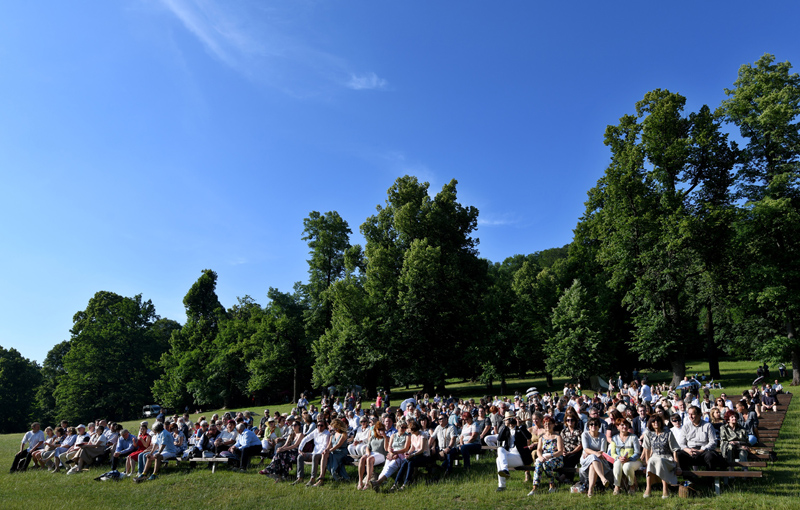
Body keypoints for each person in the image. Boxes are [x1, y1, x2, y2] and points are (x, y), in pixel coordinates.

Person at [676, 406, 728, 478]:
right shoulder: (686, 427)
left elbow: (713, 442)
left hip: (703, 452)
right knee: (678, 455)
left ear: (699, 415)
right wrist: (688, 450)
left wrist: (701, 450)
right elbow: (681, 443)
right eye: (689, 414)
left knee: (710, 456)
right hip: (690, 451)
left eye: (693, 414)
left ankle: (709, 480)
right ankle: (690, 479)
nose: (690, 416)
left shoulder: (708, 426)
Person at [641, 414, 681, 499]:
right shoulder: (648, 433)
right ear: (650, 423)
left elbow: (674, 450)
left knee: (660, 461)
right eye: (653, 421)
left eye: (658, 421)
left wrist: (678, 466)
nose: (656, 423)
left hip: (667, 458)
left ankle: (665, 489)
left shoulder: (668, 432)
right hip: (654, 457)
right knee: (652, 461)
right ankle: (648, 488)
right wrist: (647, 462)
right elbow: (647, 449)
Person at [528, 416, 563, 496]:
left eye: (549, 424)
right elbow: (539, 450)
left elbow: (560, 451)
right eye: (546, 424)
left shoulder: (557, 436)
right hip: (544, 457)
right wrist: (540, 457)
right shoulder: (542, 437)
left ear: (553, 425)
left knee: (545, 464)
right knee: (539, 463)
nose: (547, 426)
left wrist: (550, 456)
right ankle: (535, 487)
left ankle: (552, 485)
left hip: (556, 458)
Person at [371, 420, 411, 491]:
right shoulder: (393, 435)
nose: (404, 429)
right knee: (385, 468)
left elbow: (405, 449)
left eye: (405, 427)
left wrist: (395, 453)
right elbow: (389, 447)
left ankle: (377, 482)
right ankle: (378, 484)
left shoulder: (407, 436)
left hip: (400, 455)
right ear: (398, 427)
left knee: (390, 466)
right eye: (402, 427)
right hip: (392, 454)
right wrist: (391, 453)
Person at [580, 417, 612, 498]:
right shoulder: (585, 435)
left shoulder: (602, 436)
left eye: (596, 424)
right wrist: (594, 453)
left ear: (599, 426)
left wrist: (592, 453)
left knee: (592, 464)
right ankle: (603, 478)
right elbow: (586, 449)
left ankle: (590, 490)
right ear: (588, 426)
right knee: (593, 457)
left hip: (600, 460)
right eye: (591, 424)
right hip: (586, 459)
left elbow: (603, 450)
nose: (593, 426)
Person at [395, 420, 430, 489]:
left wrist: (412, 455)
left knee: (410, 462)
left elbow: (422, 449)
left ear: (413, 429)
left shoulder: (423, 435)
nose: (408, 430)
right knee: (405, 461)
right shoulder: (413, 435)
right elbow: (412, 447)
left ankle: (406, 483)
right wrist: (408, 453)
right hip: (416, 454)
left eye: (409, 429)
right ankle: (397, 482)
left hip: (424, 455)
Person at [610, 420, 642, 494]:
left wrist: (629, 459)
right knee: (617, 463)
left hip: (634, 461)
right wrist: (619, 457)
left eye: (626, 425)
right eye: (622, 425)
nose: (624, 427)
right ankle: (617, 486)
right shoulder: (614, 438)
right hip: (620, 460)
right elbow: (613, 453)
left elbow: (637, 453)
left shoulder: (634, 437)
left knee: (627, 466)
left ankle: (632, 485)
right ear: (618, 427)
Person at [295, 419, 330, 486]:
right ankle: (300, 477)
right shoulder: (315, 431)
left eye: (321, 425)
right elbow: (305, 439)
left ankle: (312, 479)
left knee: (314, 456)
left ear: (325, 426)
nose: (319, 427)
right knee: (300, 456)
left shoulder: (327, 433)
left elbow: (324, 446)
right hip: (314, 453)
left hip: (321, 454)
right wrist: (300, 450)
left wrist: (315, 454)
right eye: (318, 425)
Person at [317, 418, 350, 485]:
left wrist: (329, 450)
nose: (335, 430)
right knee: (324, 454)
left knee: (328, 455)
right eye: (334, 428)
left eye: (336, 428)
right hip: (333, 451)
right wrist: (326, 450)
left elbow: (338, 445)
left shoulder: (344, 434)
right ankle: (321, 476)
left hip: (341, 452)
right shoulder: (332, 435)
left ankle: (334, 473)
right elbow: (329, 445)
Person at [357, 421, 388, 490]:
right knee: (362, 459)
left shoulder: (386, 438)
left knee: (369, 459)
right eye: (379, 429)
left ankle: (367, 482)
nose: (381, 431)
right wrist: (368, 453)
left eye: (382, 429)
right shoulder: (372, 437)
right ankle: (360, 482)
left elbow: (386, 449)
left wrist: (385, 437)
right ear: (375, 430)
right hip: (372, 453)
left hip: (381, 454)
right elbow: (367, 447)